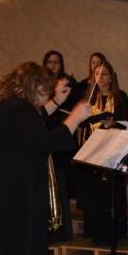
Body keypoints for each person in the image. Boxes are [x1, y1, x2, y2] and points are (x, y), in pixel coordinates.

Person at [0, 62, 91, 255]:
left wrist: (55, 103)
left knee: (12, 253)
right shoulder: (17, 108)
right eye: (44, 91)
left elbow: (29, 128)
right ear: (33, 86)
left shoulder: (11, 105)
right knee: (18, 254)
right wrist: (74, 118)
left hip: (3, 192)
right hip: (9, 194)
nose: (44, 97)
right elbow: (45, 141)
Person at [78, 60, 128, 245]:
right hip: (93, 149)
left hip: (113, 150)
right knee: (95, 193)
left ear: (111, 77)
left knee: (112, 192)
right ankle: (96, 232)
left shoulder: (120, 96)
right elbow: (81, 122)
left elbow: (126, 122)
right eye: (97, 74)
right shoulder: (87, 97)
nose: (100, 77)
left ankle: (115, 232)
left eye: (105, 74)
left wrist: (113, 123)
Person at [41, 50, 79, 243]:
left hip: (60, 139)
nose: (53, 65)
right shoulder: (43, 85)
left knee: (60, 184)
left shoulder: (67, 85)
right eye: (50, 62)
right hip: (44, 137)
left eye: (57, 62)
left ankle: (61, 231)